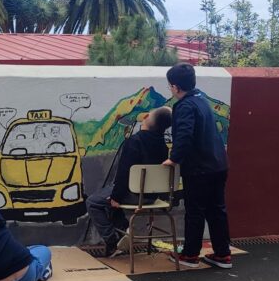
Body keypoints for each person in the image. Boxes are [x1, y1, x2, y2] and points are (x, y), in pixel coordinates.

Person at [163, 63, 232, 269]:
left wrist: (174, 158)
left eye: (170, 86)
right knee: (217, 210)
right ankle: (223, 254)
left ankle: (190, 255)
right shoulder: (201, 100)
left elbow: (185, 134)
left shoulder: (184, 106)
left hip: (199, 168)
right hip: (218, 165)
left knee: (195, 211)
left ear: (175, 87)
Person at [85, 107, 172, 255]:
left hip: (133, 194)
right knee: (110, 198)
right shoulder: (162, 145)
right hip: (152, 197)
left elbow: (124, 173)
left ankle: (112, 241)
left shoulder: (134, 141)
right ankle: (124, 229)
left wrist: (116, 197)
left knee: (93, 202)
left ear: (147, 119)